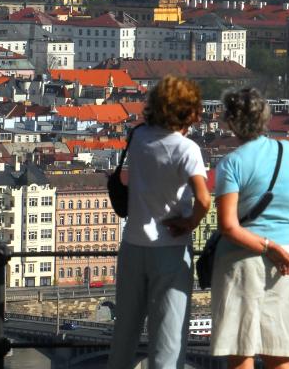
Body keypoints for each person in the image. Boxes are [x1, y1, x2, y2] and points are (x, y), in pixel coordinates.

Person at [108, 75, 211, 369]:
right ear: (187, 110)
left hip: (132, 245)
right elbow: (204, 200)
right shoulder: (186, 149)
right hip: (170, 248)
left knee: (124, 334)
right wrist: (190, 223)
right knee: (167, 340)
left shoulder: (139, 137)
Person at [210, 88, 289, 369]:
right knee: (280, 350)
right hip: (288, 253)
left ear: (231, 122)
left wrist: (265, 246)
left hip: (243, 257)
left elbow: (228, 225)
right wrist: (275, 246)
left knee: (241, 349)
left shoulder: (231, 164)